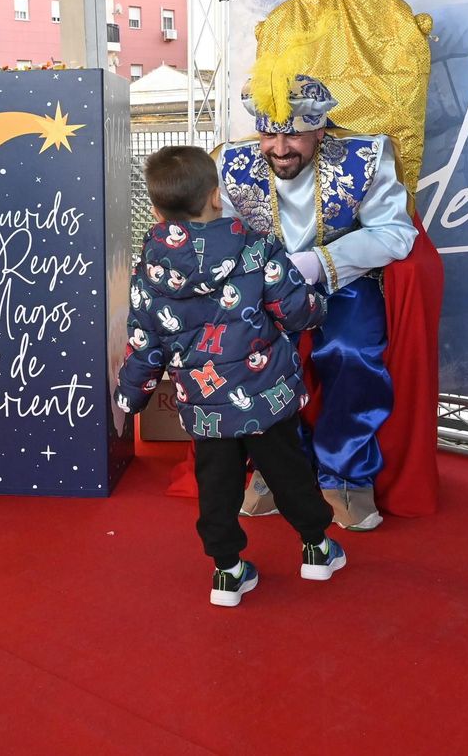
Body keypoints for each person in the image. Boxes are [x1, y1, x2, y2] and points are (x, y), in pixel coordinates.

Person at [116, 146, 344, 607]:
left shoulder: (147, 269)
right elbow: (295, 310)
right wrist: (322, 307)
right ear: (217, 196)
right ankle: (318, 549)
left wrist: (130, 397)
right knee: (288, 471)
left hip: (205, 407)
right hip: (265, 396)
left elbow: (145, 343)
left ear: (158, 210)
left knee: (216, 485)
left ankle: (227, 571)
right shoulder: (258, 246)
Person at [221, 75, 417, 531]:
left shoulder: (365, 157)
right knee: (248, 351)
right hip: (265, 285)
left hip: (344, 278)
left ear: (320, 130)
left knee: (351, 351)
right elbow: (225, 235)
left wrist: (316, 263)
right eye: (269, 133)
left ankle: (345, 473)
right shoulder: (231, 162)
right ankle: (273, 468)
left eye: (293, 134)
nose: (279, 147)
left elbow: (396, 232)